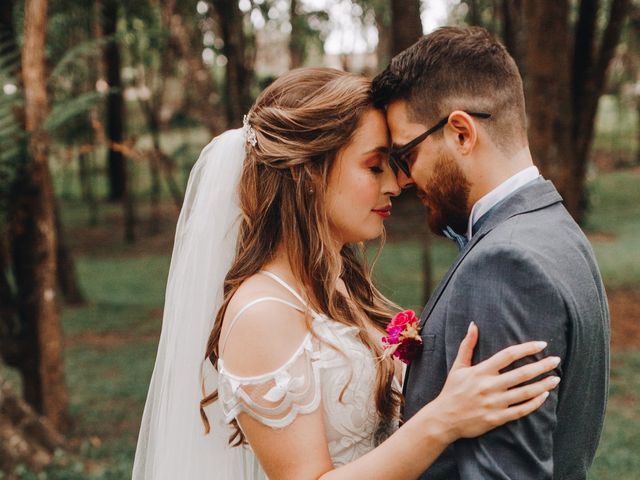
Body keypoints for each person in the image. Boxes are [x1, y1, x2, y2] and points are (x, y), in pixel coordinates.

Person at [132, 67, 560, 480]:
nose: (396, 183)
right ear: (309, 173)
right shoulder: (262, 313)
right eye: (375, 166)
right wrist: (443, 420)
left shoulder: (337, 284)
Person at [371, 26, 610, 479]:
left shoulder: (506, 265)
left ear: (461, 133)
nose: (402, 181)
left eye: (405, 156)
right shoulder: (559, 230)